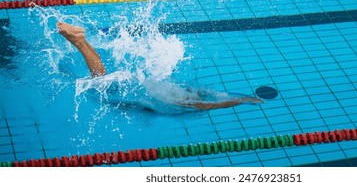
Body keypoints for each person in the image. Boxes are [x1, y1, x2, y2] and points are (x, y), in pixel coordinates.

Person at [57, 22, 262, 110]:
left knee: (102, 82)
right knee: (100, 84)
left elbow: (213, 99)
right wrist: (242, 100)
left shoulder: (183, 93)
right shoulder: (184, 103)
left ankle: (82, 42)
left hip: (142, 84)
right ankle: (80, 42)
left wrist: (242, 99)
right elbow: (214, 104)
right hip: (137, 89)